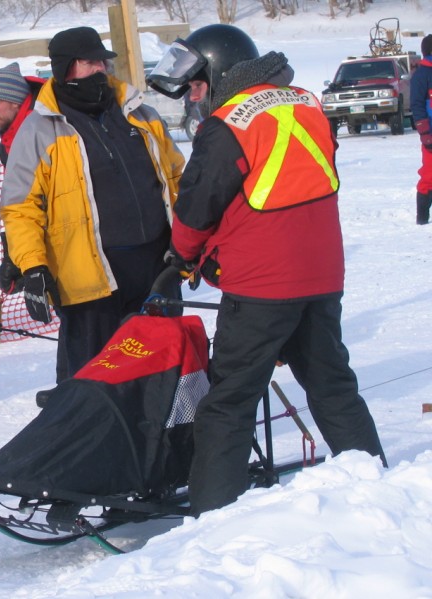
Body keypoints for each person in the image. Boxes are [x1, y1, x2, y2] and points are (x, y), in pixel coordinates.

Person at [147, 24, 387, 516]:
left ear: (220, 70)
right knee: (332, 386)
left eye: (197, 83)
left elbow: (197, 207)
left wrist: (182, 255)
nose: (194, 95)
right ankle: (377, 486)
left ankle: (213, 517)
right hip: (321, 278)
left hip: (260, 288)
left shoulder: (228, 124)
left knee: (228, 402)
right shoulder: (305, 103)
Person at [0, 26, 184, 384]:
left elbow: (178, 179)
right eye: (90, 62)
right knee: (93, 381)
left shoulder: (139, 114)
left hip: (156, 269)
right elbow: (20, 209)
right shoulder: (39, 130)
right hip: (88, 280)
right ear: (65, 68)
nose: (101, 68)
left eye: (103, 61)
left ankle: (164, 438)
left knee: (162, 373)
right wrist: (33, 266)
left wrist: (192, 243)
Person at [0, 62, 62, 405]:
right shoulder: (8, 141)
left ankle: (84, 390)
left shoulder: (42, 126)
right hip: (41, 237)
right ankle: (74, 387)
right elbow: (21, 201)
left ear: (15, 101)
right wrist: (14, 252)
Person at [411, 34, 432, 225]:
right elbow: (417, 106)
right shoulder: (422, 75)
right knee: (429, 176)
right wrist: (425, 134)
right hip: (431, 135)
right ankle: (423, 218)